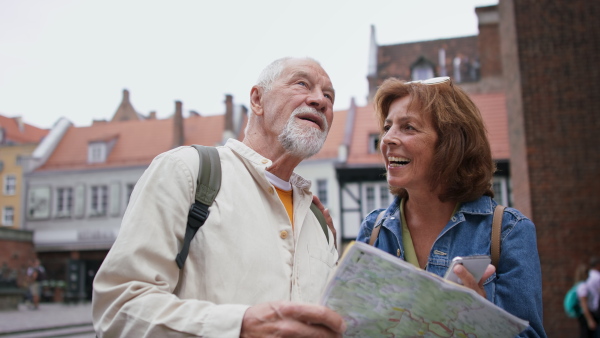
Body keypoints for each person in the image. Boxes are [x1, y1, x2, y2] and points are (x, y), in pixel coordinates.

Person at [92, 57, 346, 337]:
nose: (320, 100)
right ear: (258, 99)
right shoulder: (188, 171)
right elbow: (118, 308)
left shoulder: (319, 222)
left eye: (329, 96)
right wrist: (238, 327)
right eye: (302, 83)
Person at [356, 76, 546, 337]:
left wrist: (479, 322)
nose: (387, 139)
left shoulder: (508, 232)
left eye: (408, 127)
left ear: (451, 143)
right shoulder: (373, 230)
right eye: (387, 127)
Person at [578, 256, 600, 337]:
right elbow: (583, 303)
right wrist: (590, 320)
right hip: (589, 314)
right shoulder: (583, 286)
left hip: (587, 314)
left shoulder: (582, 285)